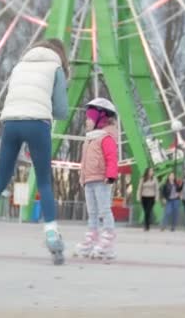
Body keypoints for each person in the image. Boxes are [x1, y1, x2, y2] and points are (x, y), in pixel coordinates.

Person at [0, 38, 69, 265]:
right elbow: (62, 110)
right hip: (37, 123)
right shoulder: (56, 68)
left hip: (10, 123)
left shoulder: (19, 66)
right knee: (44, 183)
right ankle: (52, 235)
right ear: (59, 54)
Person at [74, 98, 119, 260]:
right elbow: (84, 161)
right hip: (89, 180)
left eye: (89, 119)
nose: (86, 122)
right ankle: (92, 238)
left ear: (101, 119)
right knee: (92, 212)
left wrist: (111, 175)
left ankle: (108, 239)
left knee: (104, 210)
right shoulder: (90, 138)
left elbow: (111, 157)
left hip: (102, 179)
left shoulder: (106, 138)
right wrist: (83, 177)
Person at [137, 167, 158, 231]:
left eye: (152, 171)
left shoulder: (154, 179)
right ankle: (147, 225)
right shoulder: (142, 179)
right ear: (147, 172)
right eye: (150, 171)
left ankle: (147, 226)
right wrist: (138, 197)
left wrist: (156, 197)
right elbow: (139, 188)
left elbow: (156, 189)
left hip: (151, 197)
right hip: (144, 197)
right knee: (146, 212)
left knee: (148, 211)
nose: (152, 172)